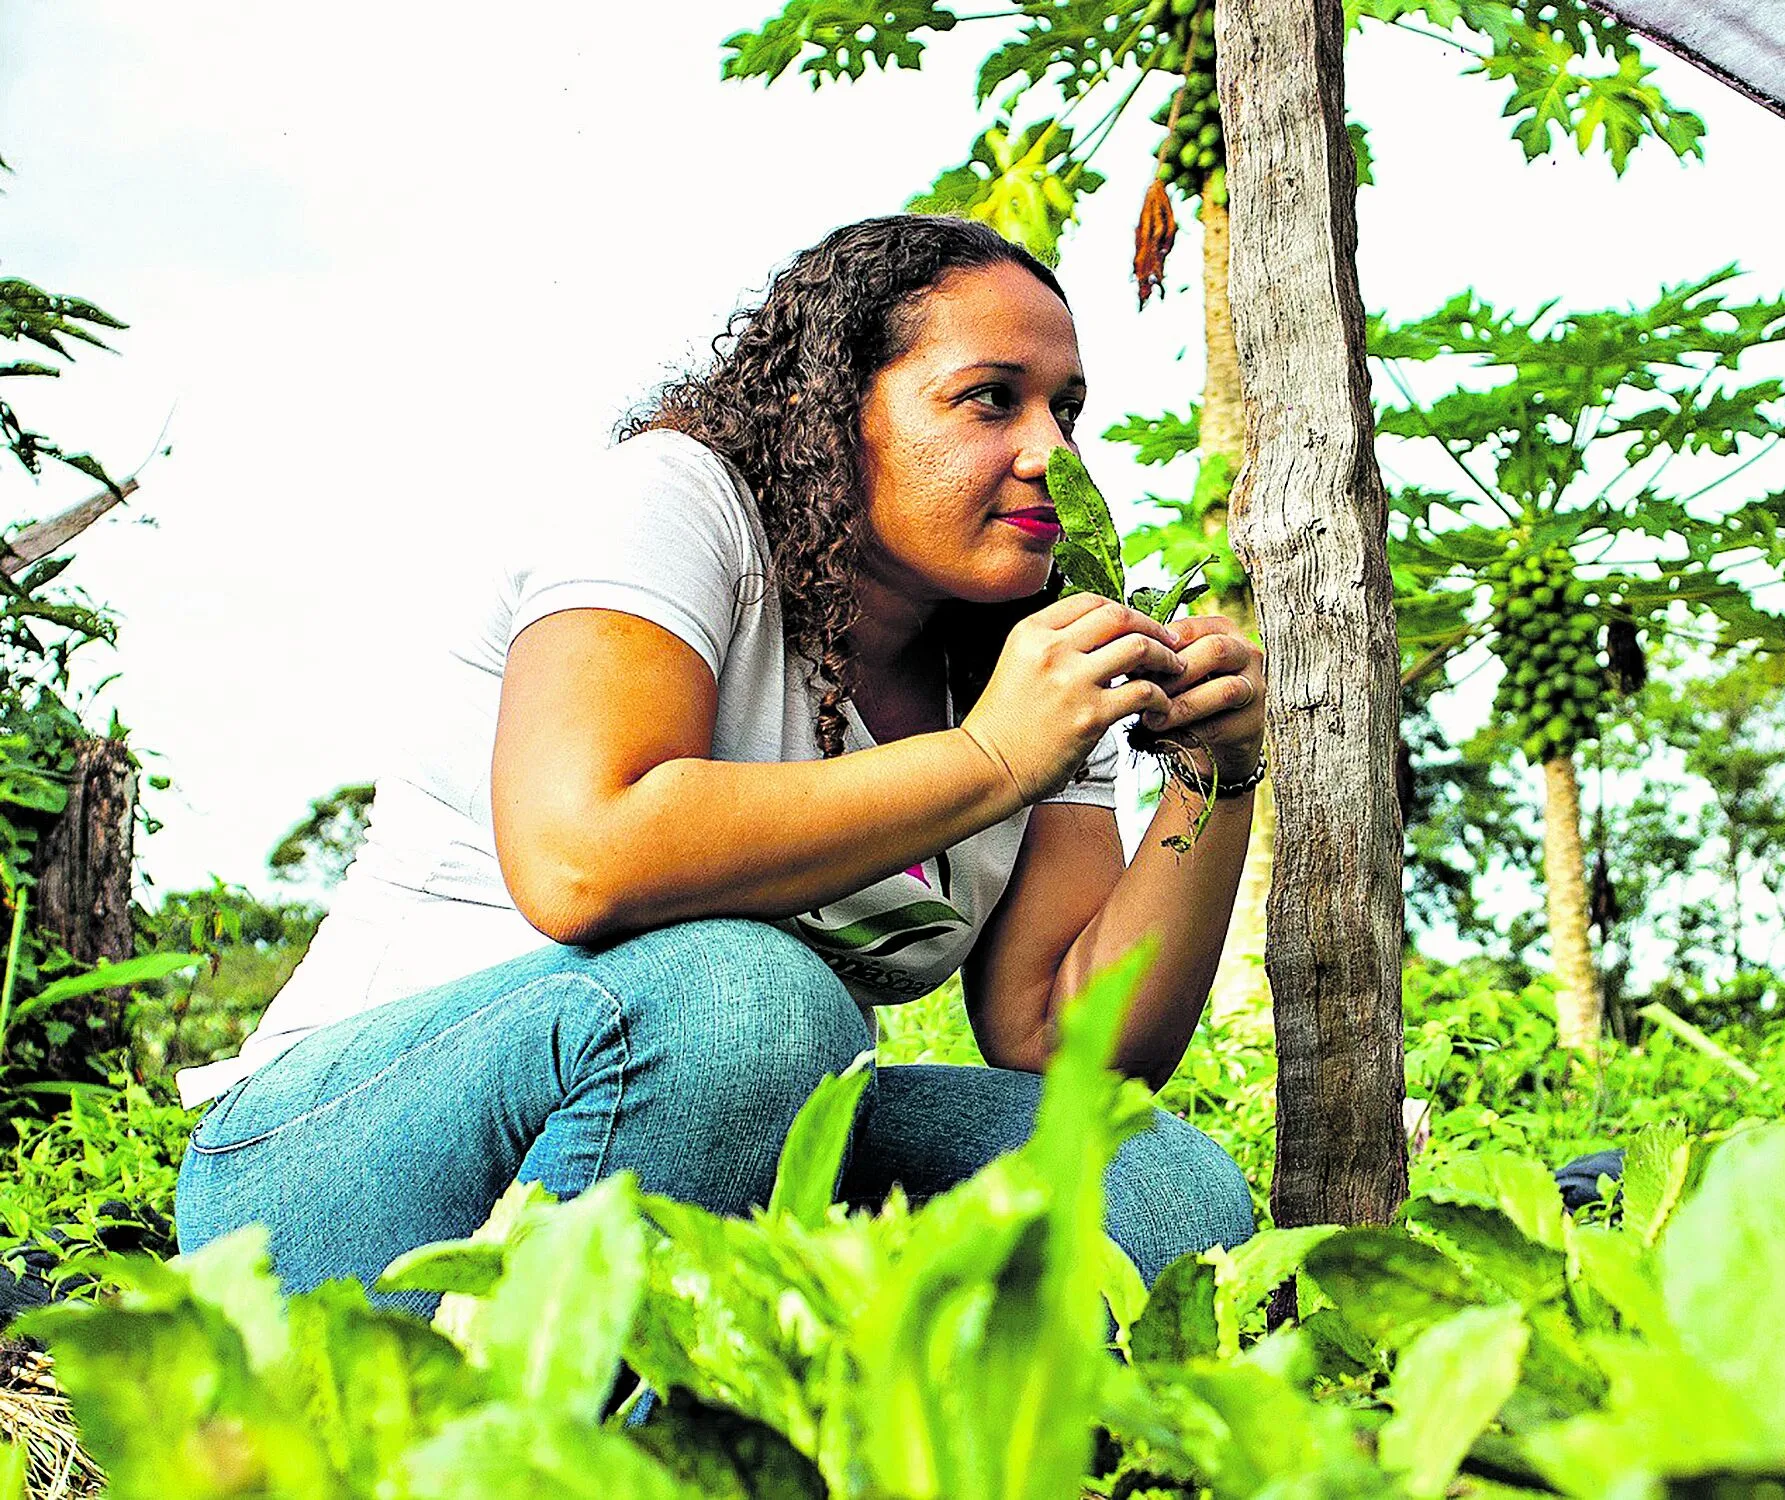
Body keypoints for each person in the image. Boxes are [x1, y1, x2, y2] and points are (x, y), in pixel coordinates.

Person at [173, 215, 1264, 1306]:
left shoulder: (1025, 652)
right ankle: (550, 1422)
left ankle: (730, 1382)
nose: (1051, 452)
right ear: (837, 413)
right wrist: (989, 756)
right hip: (338, 1167)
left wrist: (1211, 774)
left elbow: (1066, 1046)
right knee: (750, 998)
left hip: (705, 1149)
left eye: (1064, 410)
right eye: (990, 398)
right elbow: (580, 857)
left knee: (1154, 1187)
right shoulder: (675, 500)